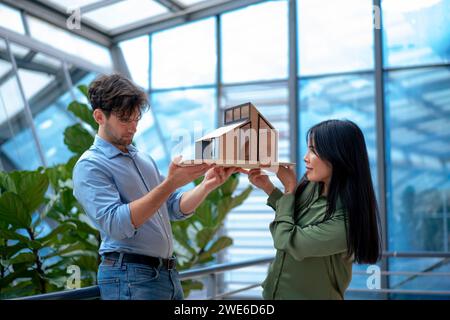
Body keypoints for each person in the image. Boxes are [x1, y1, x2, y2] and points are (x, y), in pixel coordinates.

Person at [73, 74, 236, 300]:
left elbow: (172, 207)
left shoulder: (142, 159)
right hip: (130, 276)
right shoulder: (90, 166)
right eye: (125, 120)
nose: (133, 128)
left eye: (136, 120)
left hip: (165, 274)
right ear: (99, 116)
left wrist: (207, 185)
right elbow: (116, 225)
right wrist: (170, 183)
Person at [240, 119, 382, 299]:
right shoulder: (312, 185)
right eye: (308, 149)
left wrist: (290, 188)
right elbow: (291, 217)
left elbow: (286, 240)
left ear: (338, 156)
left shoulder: (347, 222)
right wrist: (269, 188)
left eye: (314, 150)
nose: (305, 157)